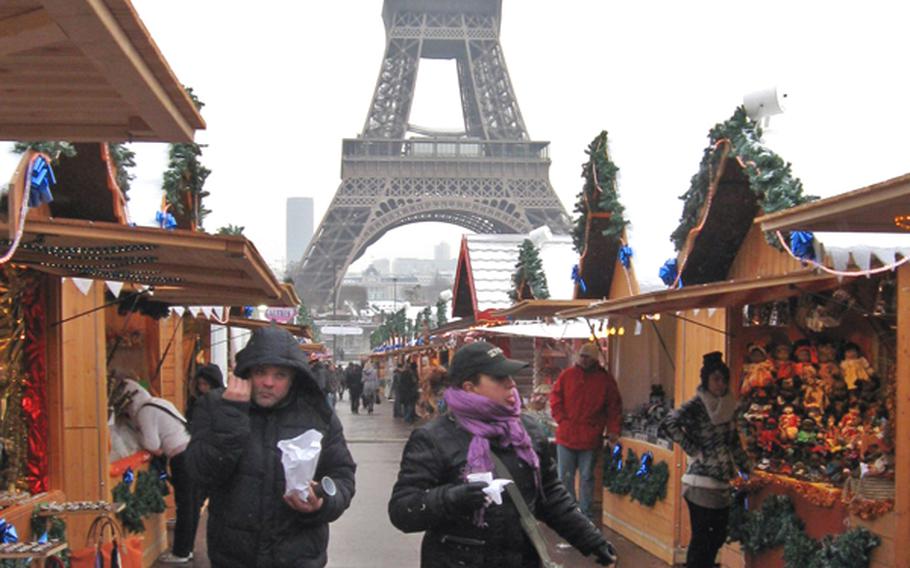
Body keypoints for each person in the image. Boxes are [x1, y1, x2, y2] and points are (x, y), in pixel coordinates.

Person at [388, 341, 617, 568]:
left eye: (511, 377)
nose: (511, 384)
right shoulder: (433, 438)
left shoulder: (526, 431)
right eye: (499, 378)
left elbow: (550, 497)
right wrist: (452, 497)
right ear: (470, 387)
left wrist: (591, 540)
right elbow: (402, 510)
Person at [184, 326, 356, 567]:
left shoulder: (317, 415)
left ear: (294, 377)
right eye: (260, 372)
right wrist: (232, 417)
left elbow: (342, 476)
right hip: (234, 557)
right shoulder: (216, 406)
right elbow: (199, 473)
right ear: (246, 372)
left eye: (280, 375)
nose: (268, 382)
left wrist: (323, 502)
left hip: (298, 556)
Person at [660, 352, 751, 568]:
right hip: (698, 484)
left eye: (723, 379)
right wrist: (693, 449)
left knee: (717, 537)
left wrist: (747, 467)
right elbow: (668, 423)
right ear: (706, 380)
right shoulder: (697, 405)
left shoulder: (730, 405)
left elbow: (734, 441)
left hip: (722, 482)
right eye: (715, 379)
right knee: (702, 539)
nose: (720, 384)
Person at [117, 379, 194, 564]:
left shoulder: (145, 411)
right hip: (192, 450)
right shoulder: (159, 402)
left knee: (185, 505)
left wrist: (140, 436)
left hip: (181, 457)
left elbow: (152, 444)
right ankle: (186, 549)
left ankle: (181, 552)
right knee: (190, 505)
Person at [550, 342, 622, 519]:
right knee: (565, 476)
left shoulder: (605, 380)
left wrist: (613, 430)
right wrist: (562, 420)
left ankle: (585, 513)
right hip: (568, 435)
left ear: (594, 359)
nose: (583, 359)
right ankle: (569, 512)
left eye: (586, 357)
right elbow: (555, 399)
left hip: (589, 437)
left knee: (587, 477)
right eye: (581, 356)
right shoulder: (567, 376)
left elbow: (614, 407)